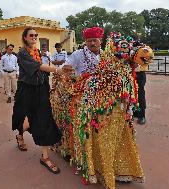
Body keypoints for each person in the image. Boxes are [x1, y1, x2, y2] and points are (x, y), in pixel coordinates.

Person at [52, 27, 144, 188]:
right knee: (86, 126)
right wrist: (67, 71)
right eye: (89, 41)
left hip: (108, 99)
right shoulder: (78, 55)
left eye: (95, 40)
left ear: (100, 40)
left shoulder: (107, 55)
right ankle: (89, 162)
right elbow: (66, 68)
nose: (92, 43)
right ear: (85, 42)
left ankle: (119, 167)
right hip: (84, 97)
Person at [12, 27, 66, 174]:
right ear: (25, 37)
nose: (34, 37)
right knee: (24, 118)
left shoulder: (36, 52)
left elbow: (42, 69)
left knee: (44, 119)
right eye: (31, 35)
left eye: (36, 35)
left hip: (40, 89)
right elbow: (38, 67)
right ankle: (20, 135)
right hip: (26, 90)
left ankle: (45, 157)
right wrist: (58, 70)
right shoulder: (22, 53)